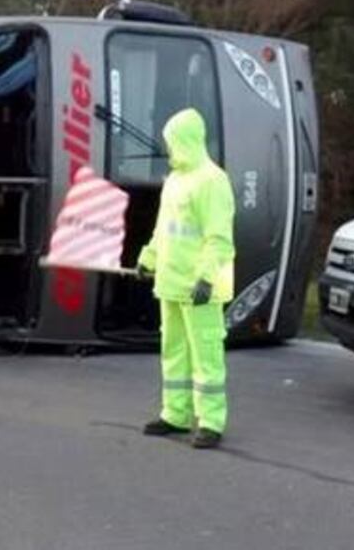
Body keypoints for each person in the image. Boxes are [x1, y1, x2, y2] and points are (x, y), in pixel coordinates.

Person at [136, 108, 235, 450]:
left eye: (172, 142)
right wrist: (148, 259)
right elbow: (163, 230)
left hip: (200, 288)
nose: (169, 149)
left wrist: (206, 278)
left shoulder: (213, 180)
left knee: (206, 354)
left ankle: (211, 421)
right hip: (172, 283)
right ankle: (175, 414)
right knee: (173, 351)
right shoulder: (176, 180)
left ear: (187, 141)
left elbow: (219, 237)